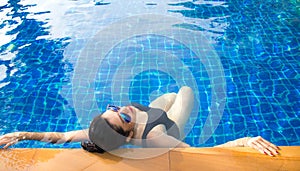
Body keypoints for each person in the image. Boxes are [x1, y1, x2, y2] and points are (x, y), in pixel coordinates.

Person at [0, 86, 280, 156]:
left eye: (112, 108)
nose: (123, 108)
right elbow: (201, 154)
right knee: (185, 91)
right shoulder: (155, 137)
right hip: (167, 123)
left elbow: (59, 137)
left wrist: (21, 134)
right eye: (122, 115)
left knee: (168, 94)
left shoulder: (101, 130)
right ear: (126, 132)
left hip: (152, 111)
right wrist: (245, 141)